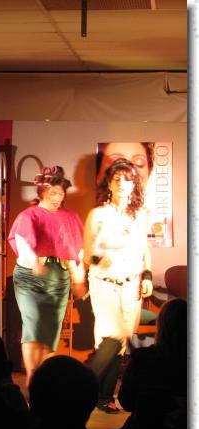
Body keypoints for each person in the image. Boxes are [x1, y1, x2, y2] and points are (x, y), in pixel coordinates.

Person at [83, 158, 153, 413]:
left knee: (122, 340)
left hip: (130, 284)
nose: (123, 184)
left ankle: (104, 397)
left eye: (128, 179)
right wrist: (100, 257)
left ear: (134, 184)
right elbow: (87, 254)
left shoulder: (141, 215)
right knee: (111, 336)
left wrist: (147, 275)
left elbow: (144, 249)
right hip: (104, 283)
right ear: (109, 184)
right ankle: (80, 388)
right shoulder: (98, 214)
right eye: (117, 179)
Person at [8, 166, 84, 386]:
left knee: (51, 329)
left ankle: (43, 379)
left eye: (61, 193)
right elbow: (22, 241)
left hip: (58, 278)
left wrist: (79, 279)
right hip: (30, 277)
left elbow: (77, 250)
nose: (57, 197)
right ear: (42, 192)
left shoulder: (69, 217)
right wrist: (34, 261)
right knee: (33, 322)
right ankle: (32, 376)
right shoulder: (29, 215)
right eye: (53, 193)